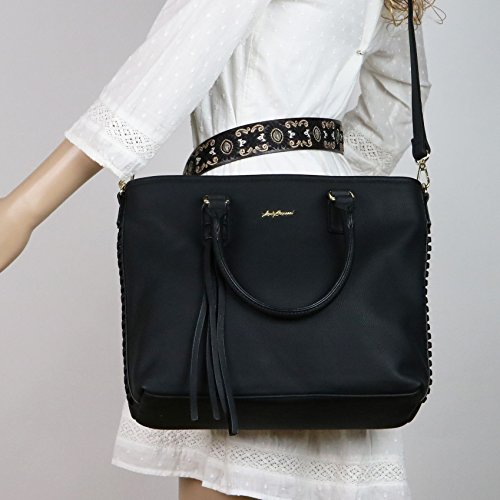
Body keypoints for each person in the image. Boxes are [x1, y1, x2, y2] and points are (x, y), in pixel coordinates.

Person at [0, 0, 444, 498]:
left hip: (234, 221)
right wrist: (319, 188)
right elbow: (399, 95)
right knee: (327, 422)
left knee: (229, 439)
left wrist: (22, 209)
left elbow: (167, 69)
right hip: (329, 238)